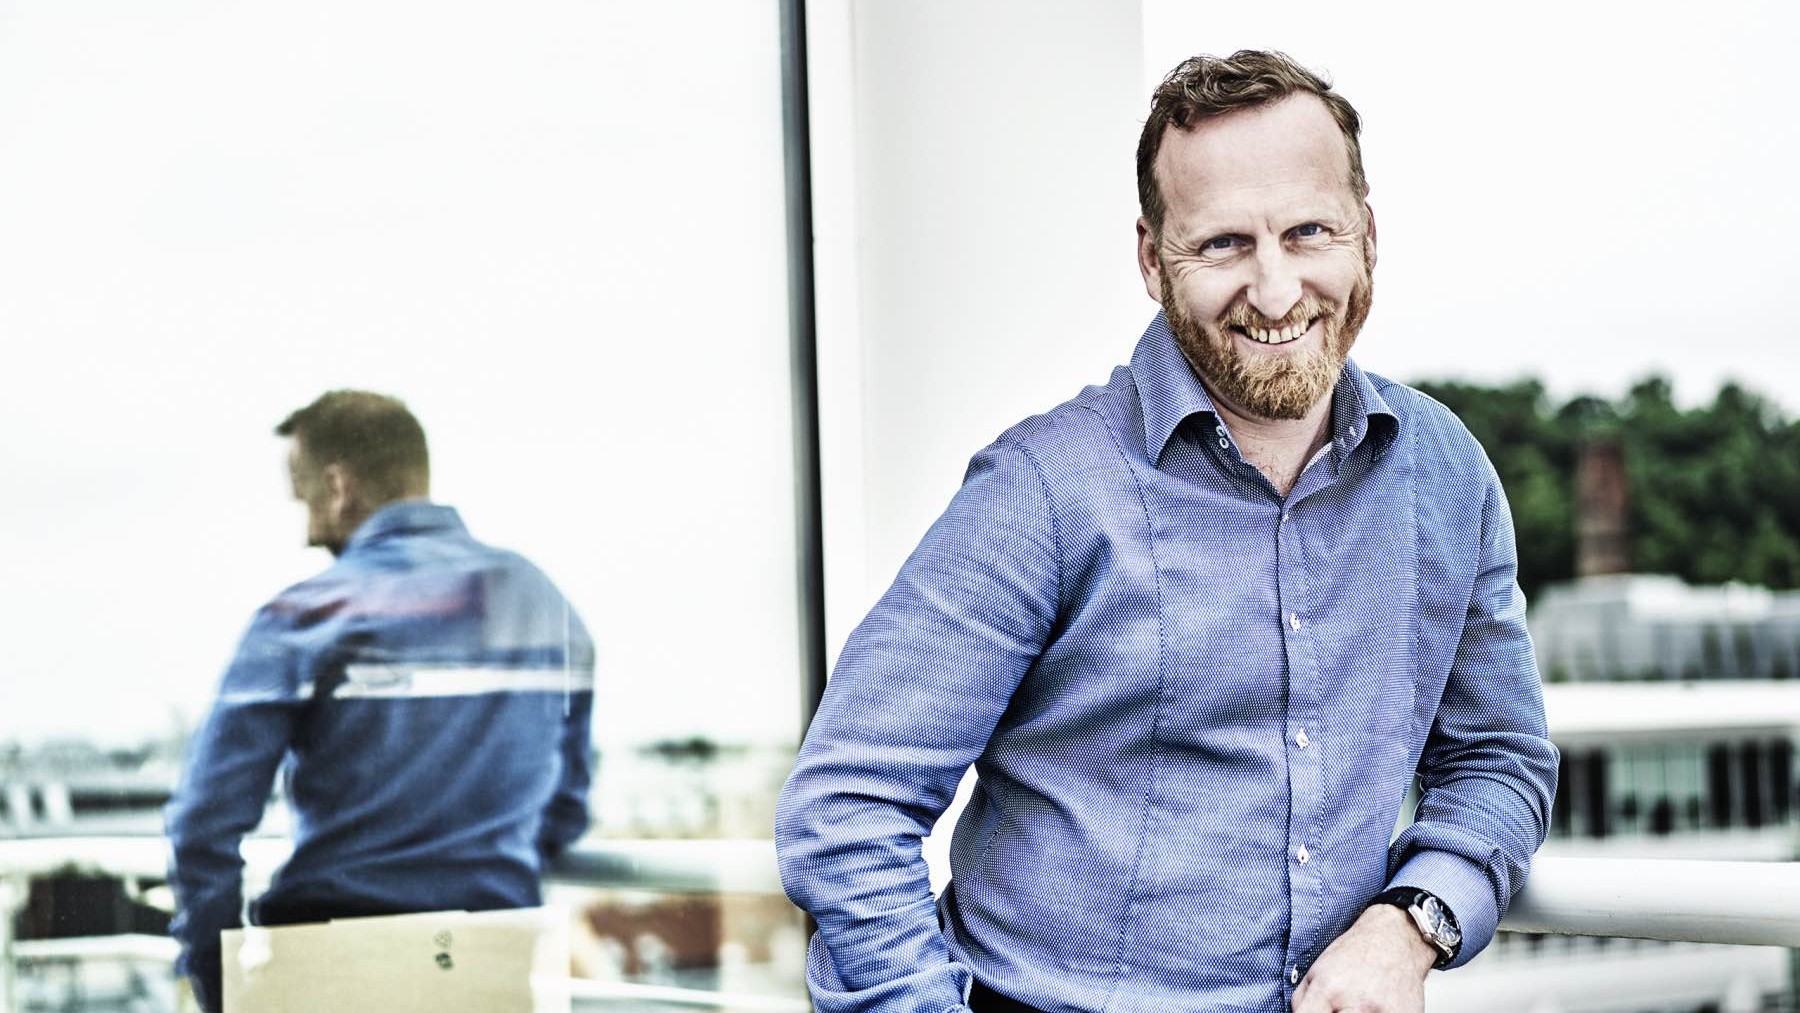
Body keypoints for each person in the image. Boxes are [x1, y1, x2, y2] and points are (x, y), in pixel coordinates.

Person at [775, 50, 1558, 1013]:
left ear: (1368, 235)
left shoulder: (1446, 476)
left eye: (1309, 231)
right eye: (1223, 244)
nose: (1277, 290)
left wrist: (1412, 921)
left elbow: (1497, 759)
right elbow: (848, 810)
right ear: (1152, 259)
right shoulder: (1042, 489)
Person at [164, 390, 595, 1011]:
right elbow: (566, 807)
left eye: (303, 498)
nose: (306, 529)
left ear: (339, 486)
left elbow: (203, 825)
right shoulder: (546, 604)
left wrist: (220, 985)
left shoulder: (304, 615)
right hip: (489, 967)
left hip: (334, 969)